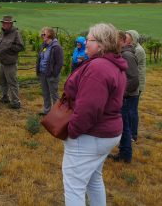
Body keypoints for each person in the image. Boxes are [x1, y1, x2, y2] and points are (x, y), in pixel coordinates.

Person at [62, 23, 127, 206]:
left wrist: (72, 131)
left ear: (100, 44)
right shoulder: (112, 64)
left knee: (74, 186)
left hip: (90, 136)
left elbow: (89, 109)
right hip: (107, 132)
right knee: (93, 179)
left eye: (89, 39)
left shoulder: (98, 68)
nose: (85, 43)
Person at [109, 31, 139, 164]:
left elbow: (133, 79)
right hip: (127, 95)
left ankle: (125, 154)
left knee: (125, 125)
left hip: (127, 96)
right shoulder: (124, 54)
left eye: (115, 40)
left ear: (122, 41)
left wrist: (122, 93)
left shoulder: (127, 55)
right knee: (124, 125)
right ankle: (124, 152)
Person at [0, 15, 24, 109]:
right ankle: (5, 97)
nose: (4, 24)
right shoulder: (2, 32)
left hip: (10, 62)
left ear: (10, 24)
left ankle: (16, 101)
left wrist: (9, 48)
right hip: (2, 61)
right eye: (3, 22)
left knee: (12, 82)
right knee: (2, 81)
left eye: (6, 23)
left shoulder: (15, 33)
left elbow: (20, 47)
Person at [36, 27, 64, 115]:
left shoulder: (56, 47)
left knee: (54, 94)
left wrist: (54, 74)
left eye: (44, 34)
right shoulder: (44, 45)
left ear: (50, 35)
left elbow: (59, 63)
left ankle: (56, 114)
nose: (42, 36)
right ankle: (46, 110)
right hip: (43, 73)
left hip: (51, 75)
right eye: (42, 34)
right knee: (45, 93)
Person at [125, 30, 146, 142]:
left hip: (136, 84)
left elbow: (129, 64)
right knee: (130, 109)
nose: (125, 38)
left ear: (133, 38)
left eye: (127, 37)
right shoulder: (134, 48)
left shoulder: (138, 50)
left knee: (132, 110)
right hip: (135, 82)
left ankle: (133, 134)